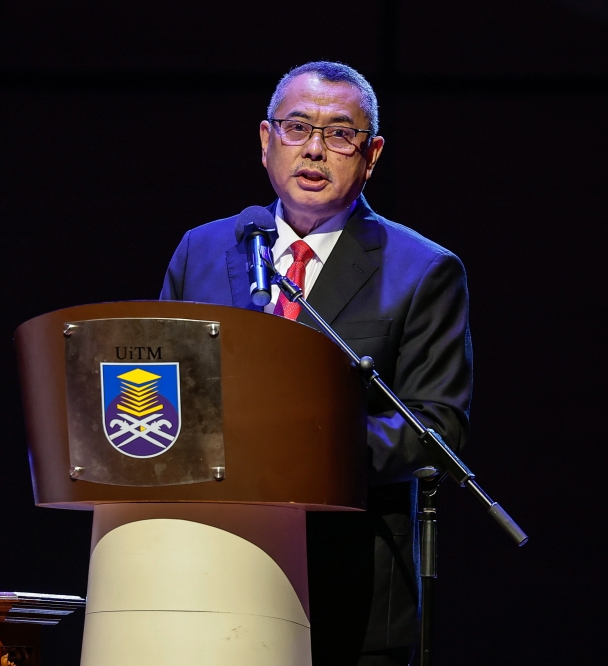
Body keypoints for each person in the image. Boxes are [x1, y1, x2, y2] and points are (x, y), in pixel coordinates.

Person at [160, 61, 473, 666]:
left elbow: (438, 427)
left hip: (350, 588)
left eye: (339, 134)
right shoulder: (203, 250)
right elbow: (167, 390)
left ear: (371, 154)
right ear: (266, 140)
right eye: (297, 127)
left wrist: (305, 453)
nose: (314, 150)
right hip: (211, 572)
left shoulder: (422, 270)